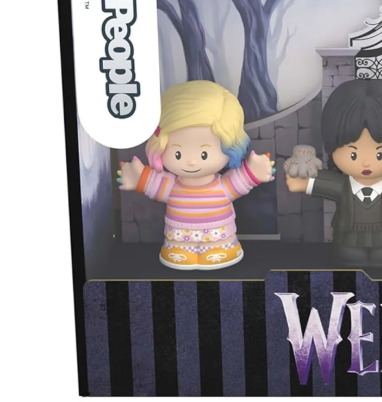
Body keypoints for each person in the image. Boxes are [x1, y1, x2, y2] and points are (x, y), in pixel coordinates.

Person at [117, 81, 275, 270]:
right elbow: (152, 183)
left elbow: (240, 181)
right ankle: (180, 250)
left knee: (219, 248)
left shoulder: (222, 186)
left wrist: (254, 171)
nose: (191, 162)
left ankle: (219, 248)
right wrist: (137, 177)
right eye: (178, 154)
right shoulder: (172, 186)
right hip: (177, 238)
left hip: (220, 238)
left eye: (204, 154)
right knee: (178, 251)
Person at [286, 79, 382, 267]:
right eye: (353, 154)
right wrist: (301, 172)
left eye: (379, 154)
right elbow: (304, 180)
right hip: (347, 242)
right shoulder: (341, 186)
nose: (366, 163)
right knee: (349, 254)